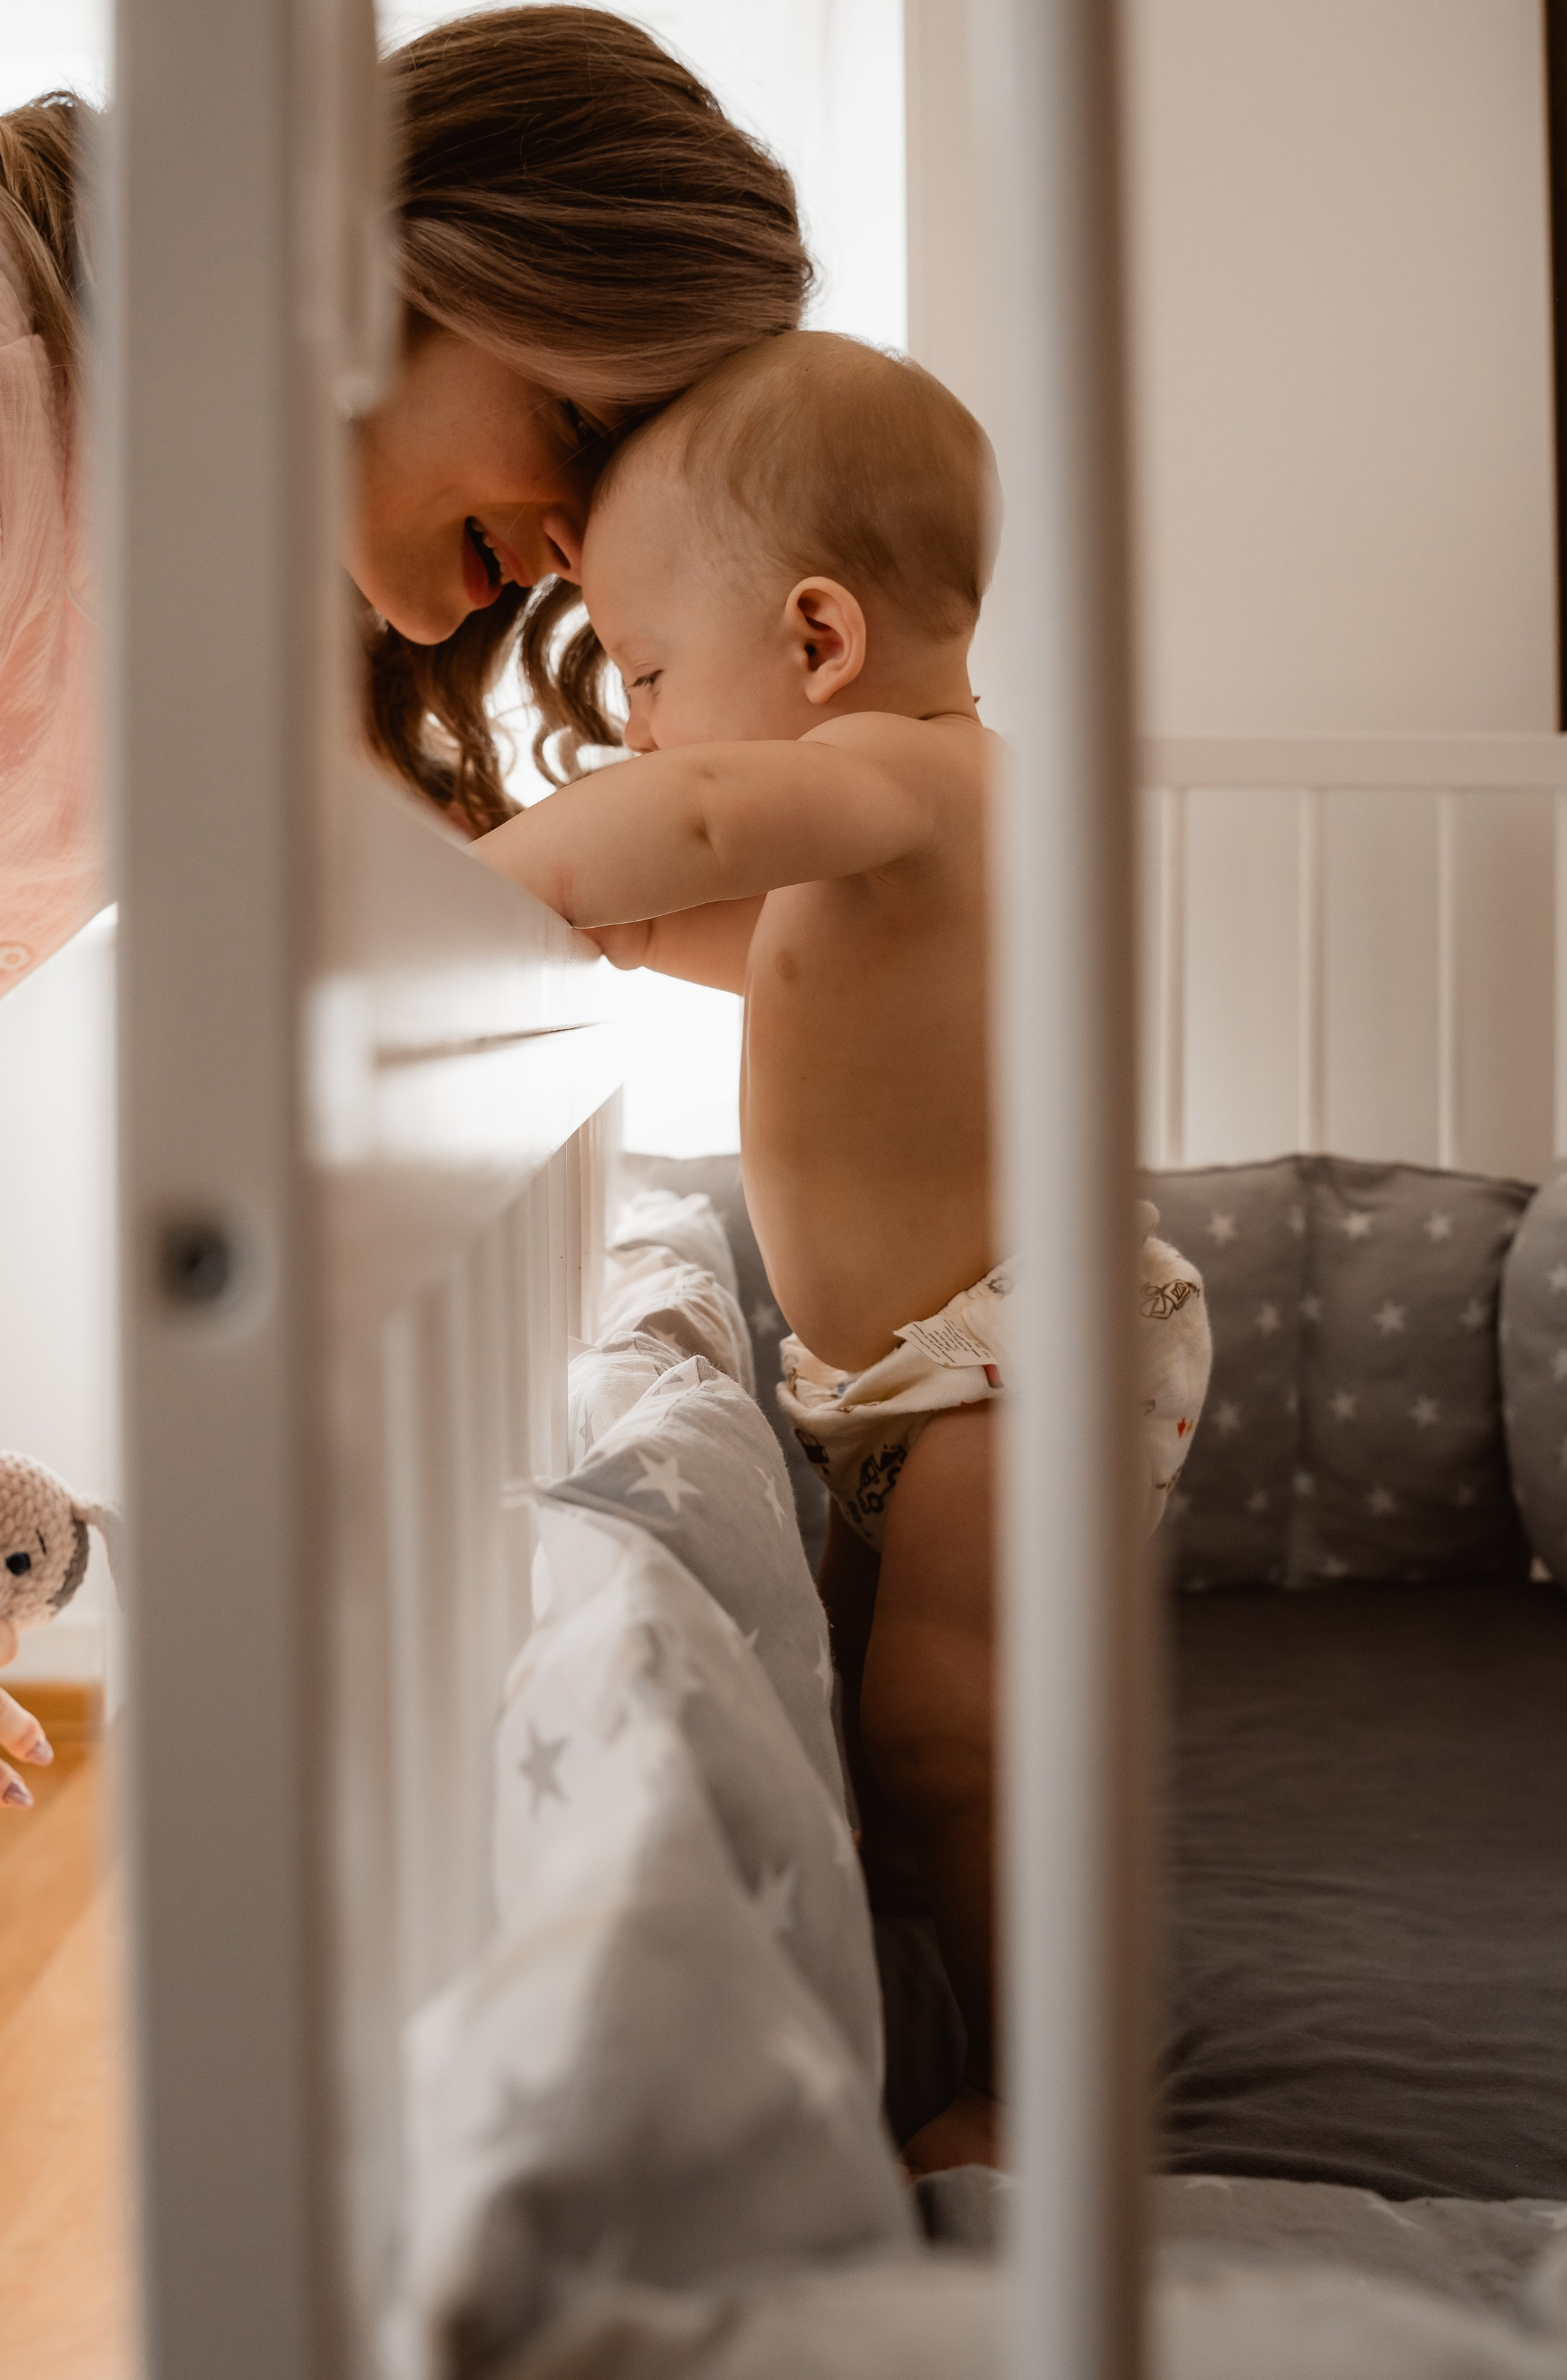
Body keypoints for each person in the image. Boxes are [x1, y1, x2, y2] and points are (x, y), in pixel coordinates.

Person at [0, 9, 808, 1860]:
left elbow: (529, 916)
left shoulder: (221, 591)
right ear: (393, 255)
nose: (575, 540)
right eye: (578, 427)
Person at [472, 331, 1211, 2173]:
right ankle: (948, 1949)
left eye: (647, 674)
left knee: (953, 1724)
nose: (636, 729)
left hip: (1006, 1348)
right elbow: (782, 943)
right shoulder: (903, 819)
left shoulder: (912, 772)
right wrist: (634, 943)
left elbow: (704, 817)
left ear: (818, 641)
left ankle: (1051, 2096)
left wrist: (497, 874)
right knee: (914, 1728)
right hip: (911, 1370)